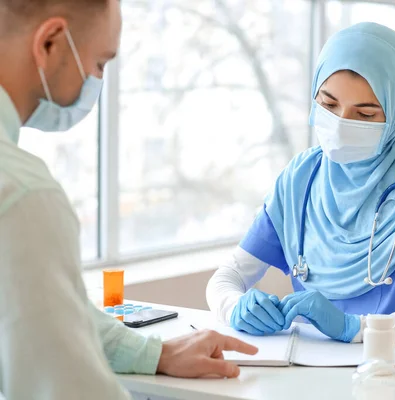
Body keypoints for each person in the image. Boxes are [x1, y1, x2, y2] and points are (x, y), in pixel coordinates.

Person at [0, 1, 257, 399]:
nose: (96, 81)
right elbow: (67, 388)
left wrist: (153, 353)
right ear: (50, 42)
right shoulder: (23, 196)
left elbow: (46, 309)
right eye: (100, 64)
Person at [207, 22, 395, 345]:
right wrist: (234, 306)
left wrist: (358, 328)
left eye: (365, 115)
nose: (341, 125)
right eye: (329, 105)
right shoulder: (300, 180)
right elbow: (227, 277)